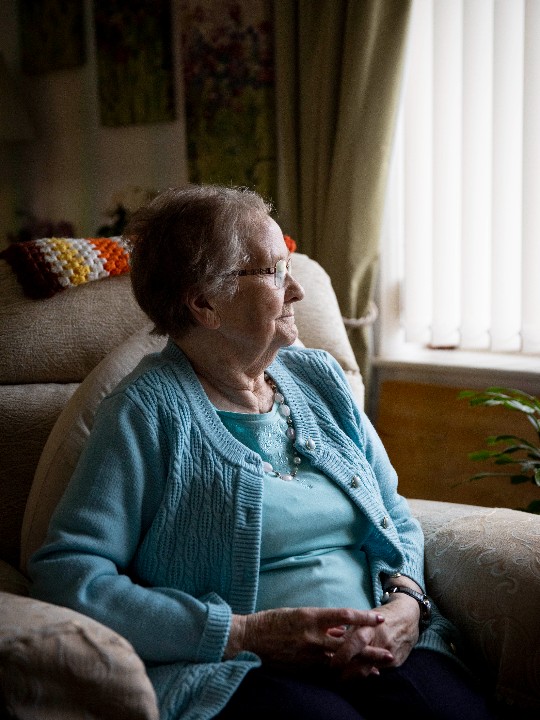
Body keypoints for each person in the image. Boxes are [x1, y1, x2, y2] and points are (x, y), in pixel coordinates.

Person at [28, 184, 497, 720]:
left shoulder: (320, 380)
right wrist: (240, 633)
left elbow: (394, 512)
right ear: (204, 302)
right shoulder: (145, 414)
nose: (296, 290)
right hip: (244, 669)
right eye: (274, 271)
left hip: (379, 641)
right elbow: (70, 573)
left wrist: (406, 605)